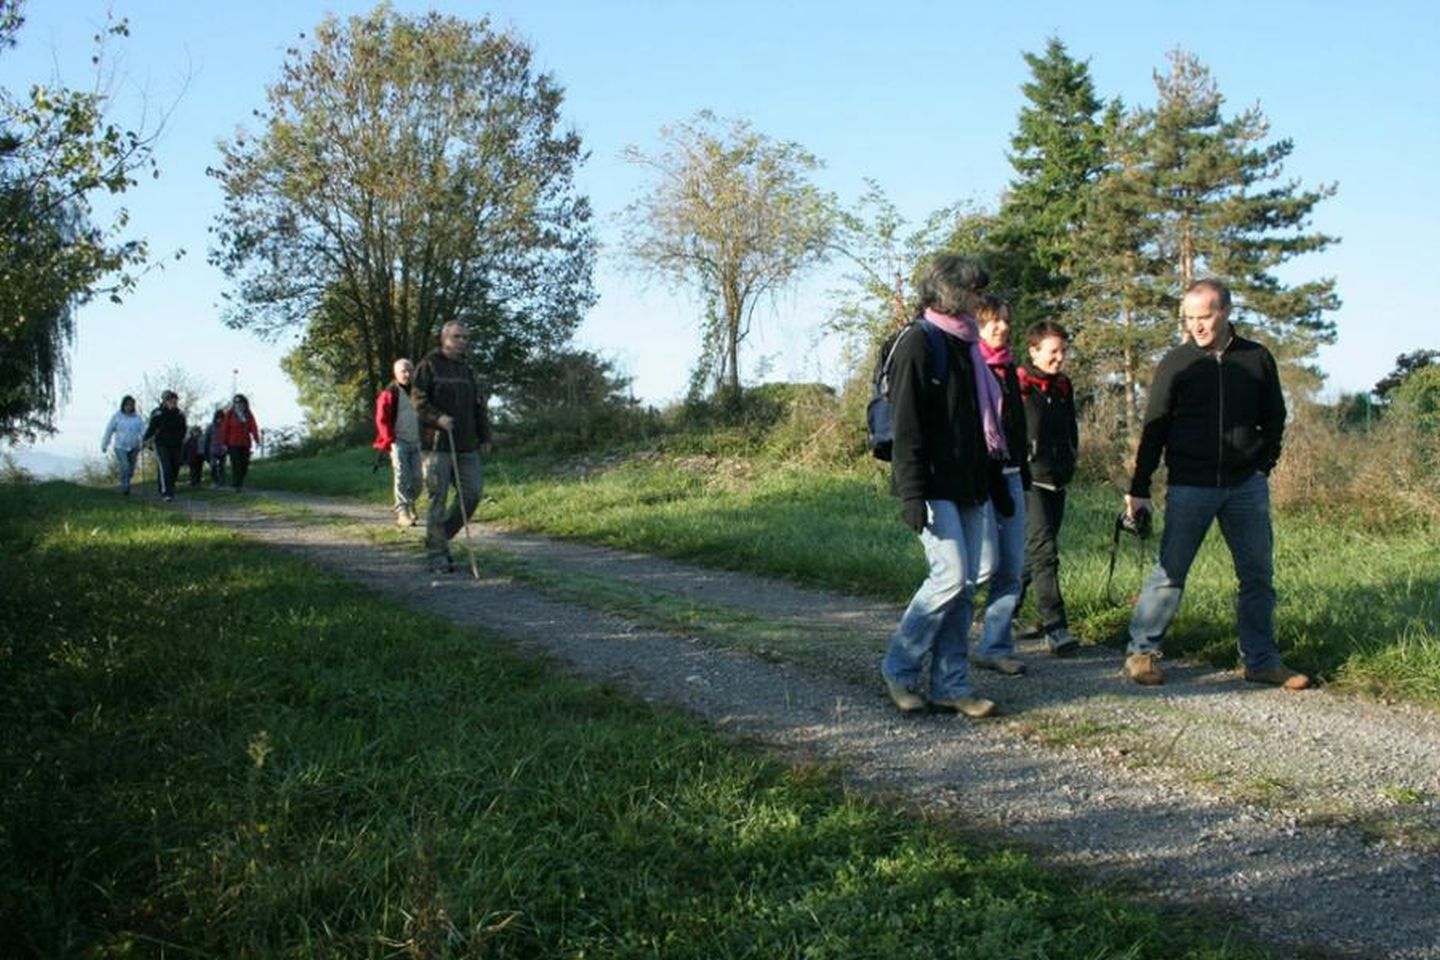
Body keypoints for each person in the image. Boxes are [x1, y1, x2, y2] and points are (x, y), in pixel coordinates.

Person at [1122, 278, 1309, 690]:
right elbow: (1154, 429)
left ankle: (1261, 660)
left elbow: (1275, 418)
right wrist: (1138, 488)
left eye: (1204, 317)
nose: (1196, 326)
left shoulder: (1257, 358)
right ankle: (1142, 652)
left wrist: (1264, 464)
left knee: (1257, 575)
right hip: (1191, 484)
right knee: (1171, 571)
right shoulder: (1176, 362)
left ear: (1225, 312)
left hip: (1246, 486)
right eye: (1189, 318)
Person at [880, 255, 1007, 719]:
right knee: (949, 577)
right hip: (932, 484)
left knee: (966, 585)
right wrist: (911, 493)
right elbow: (906, 426)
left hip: (970, 482)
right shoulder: (919, 343)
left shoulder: (968, 346)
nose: (981, 300)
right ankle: (900, 668)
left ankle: (951, 684)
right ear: (953, 294)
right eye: (975, 292)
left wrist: (996, 483)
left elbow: (978, 427)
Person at [970, 295, 1031, 676]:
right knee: (981, 568)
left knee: (1011, 569)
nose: (1002, 328)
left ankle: (995, 646)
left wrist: (1022, 478)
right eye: (993, 321)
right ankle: (940, 639)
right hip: (979, 480)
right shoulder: (971, 366)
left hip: (1011, 477)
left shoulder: (1010, 370)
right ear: (977, 325)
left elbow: (1018, 430)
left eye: (1006, 321)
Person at [1016, 320, 1080, 656]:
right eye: (1053, 351)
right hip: (1030, 481)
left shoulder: (1063, 386)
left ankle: (1001, 612)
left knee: (1033, 555)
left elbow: (1071, 429)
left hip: (1058, 478)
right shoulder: (1019, 384)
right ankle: (1056, 628)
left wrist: (1072, 456)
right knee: (1045, 554)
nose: (1060, 358)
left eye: (1063, 351)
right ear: (1034, 351)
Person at [412, 321, 490, 574]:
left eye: (466, 337)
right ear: (444, 338)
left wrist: (485, 436)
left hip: (467, 445)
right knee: (438, 498)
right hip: (436, 445)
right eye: (457, 337)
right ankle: (436, 554)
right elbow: (418, 403)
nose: (462, 342)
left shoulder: (467, 370)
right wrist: (437, 419)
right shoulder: (429, 365)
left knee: (473, 494)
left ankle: (441, 535)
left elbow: (479, 407)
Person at [373, 357, 422, 528]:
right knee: (402, 475)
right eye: (403, 371)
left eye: (410, 370)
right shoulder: (389, 393)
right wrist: (389, 440)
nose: (407, 374)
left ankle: (410, 503)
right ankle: (402, 512)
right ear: (396, 374)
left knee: (418, 478)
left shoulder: (420, 392)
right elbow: (382, 419)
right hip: (398, 441)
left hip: (418, 441)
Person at [142, 390, 187, 502]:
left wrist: (181, 440)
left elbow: (183, 429)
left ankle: (170, 486)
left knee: (175, 467)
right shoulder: (158, 413)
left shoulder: (180, 414)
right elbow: (152, 428)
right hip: (161, 444)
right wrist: (145, 439)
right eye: (171, 401)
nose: (173, 404)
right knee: (165, 467)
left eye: (175, 401)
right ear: (165, 401)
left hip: (176, 444)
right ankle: (166, 493)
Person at [99, 395, 145, 495]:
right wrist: (105, 444)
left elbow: (143, 431)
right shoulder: (117, 417)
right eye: (127, 405)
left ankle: (127, 480)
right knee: (125, 466)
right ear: (123, 405)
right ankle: (125, 485)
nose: (129, 407)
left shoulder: (137, 418)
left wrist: (146, 441)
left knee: (131, 468)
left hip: (134, 446)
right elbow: (109, 430)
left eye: (131, 405)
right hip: (120, 446)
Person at [219, 394, 261, 492]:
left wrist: (257, 439)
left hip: (245, 444)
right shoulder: (229, 415)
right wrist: (224, 443)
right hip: (233, 444)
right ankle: (237, 485)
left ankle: (239, 482)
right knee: (236, 464)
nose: (239, 405)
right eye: (237, 403)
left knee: (244, 465)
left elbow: (253, 427)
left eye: (241, 403)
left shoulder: (249, 415)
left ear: (245, 404)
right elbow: (224, 429)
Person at [203, 409, 227, 487]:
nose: (219, 420)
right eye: (218, 418)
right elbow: (207, 439)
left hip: (223, 450)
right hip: (213, 450)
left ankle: (222, 481)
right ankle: (215, 481)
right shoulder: (211, 427)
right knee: (213, 466)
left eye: (221, 418)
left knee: (221, 467)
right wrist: (206, 450)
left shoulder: (225, 427)